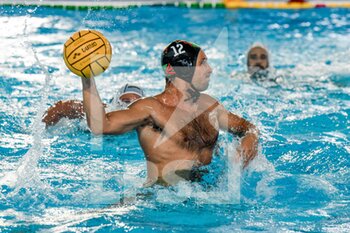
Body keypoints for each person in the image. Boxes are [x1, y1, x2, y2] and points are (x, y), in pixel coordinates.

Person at [81, 40, 259, 186]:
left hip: (209, 197)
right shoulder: (150, 109)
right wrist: (87, 77)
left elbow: (248, 129)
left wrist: (242, 153)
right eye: (202, 63)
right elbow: (100, 125)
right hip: (162, 203)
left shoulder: (209, 106)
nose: (210, 69)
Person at [42, 84, 144, 127]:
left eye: (136, 103)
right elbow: (60, 108)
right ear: (115, 104)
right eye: (126, 102)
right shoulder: (103, 111)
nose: (129, 107)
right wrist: (40, 131)